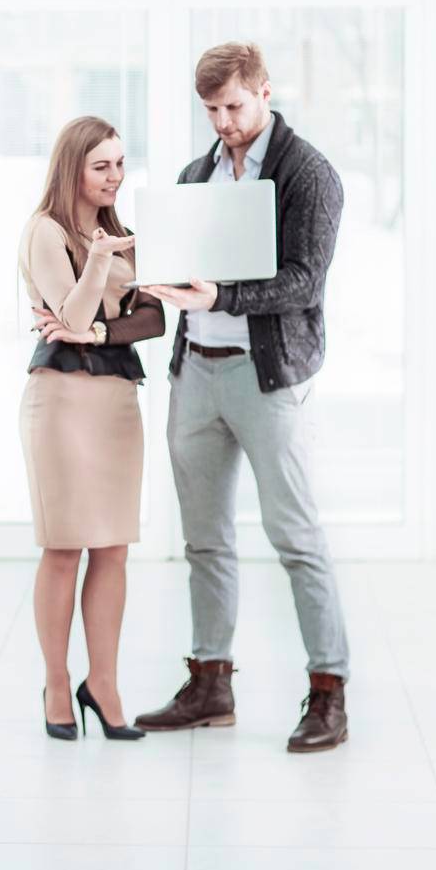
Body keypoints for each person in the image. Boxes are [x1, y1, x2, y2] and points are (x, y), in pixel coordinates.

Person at [137, 42, 351, 753]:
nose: (223, 122)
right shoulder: (196, 175)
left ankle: (328, 691)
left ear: (264, 91)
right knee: (205, 540)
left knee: (295, 535)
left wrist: (220, 293)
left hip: (267, 379)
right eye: (211, 110)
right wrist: (160, 282)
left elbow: (304, 282)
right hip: (195, 370)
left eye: (233, 106)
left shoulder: (308, 173)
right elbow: (180, 270)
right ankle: (210, 683)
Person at [19, 117, 164, 742]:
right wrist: (99, 269)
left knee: (113, 546)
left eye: (121, 164)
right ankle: (57, 684)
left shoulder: (126, 232)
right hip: (62, 400)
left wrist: (103, 326)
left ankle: (102, 684)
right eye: (102, 165)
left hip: (115, 398)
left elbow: (154, 317)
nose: (115, 177)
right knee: (64, 546)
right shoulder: (44, 231)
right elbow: (70, 314)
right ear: (73, 166)